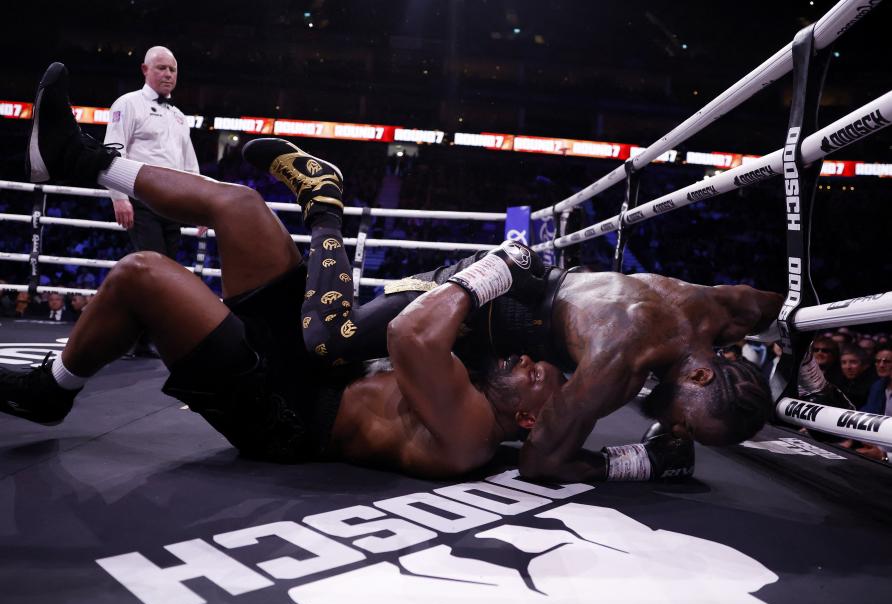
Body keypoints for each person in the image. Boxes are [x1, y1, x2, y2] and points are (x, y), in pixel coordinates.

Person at [4, 62, 700, 483]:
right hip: (317, 367)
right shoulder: (494, 381)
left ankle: (52, 390)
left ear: (526, 414)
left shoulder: (470, 433)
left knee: (144, 274)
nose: (529, 360)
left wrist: (494, 268)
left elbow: (412, 339)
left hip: (283, 417)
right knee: (243, 208)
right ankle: (76, 160)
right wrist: (640, 448)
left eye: (538, 376)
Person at [242, 138, 784, 483]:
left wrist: (803, 365)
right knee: (328, 343)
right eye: (688, 421)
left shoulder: (725, 309)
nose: (675, 427)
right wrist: (643, 462)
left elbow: (782, 305)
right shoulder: (622, 358)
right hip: (480, 294)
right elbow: (540, 463)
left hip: (512, 324)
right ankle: (325, 203)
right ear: (702, 373)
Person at [103, 45, 199, 257]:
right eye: (161, 68)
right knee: (154, 265)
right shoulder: (128, 103)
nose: (168, 74)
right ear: (145, 69)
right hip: (142, 199)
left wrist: (199, 207)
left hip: (173, 203)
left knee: (169, 266)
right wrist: (119, 197)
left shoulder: (179, 116)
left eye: (172, 70)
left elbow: (190, 167)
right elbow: (114, 150)